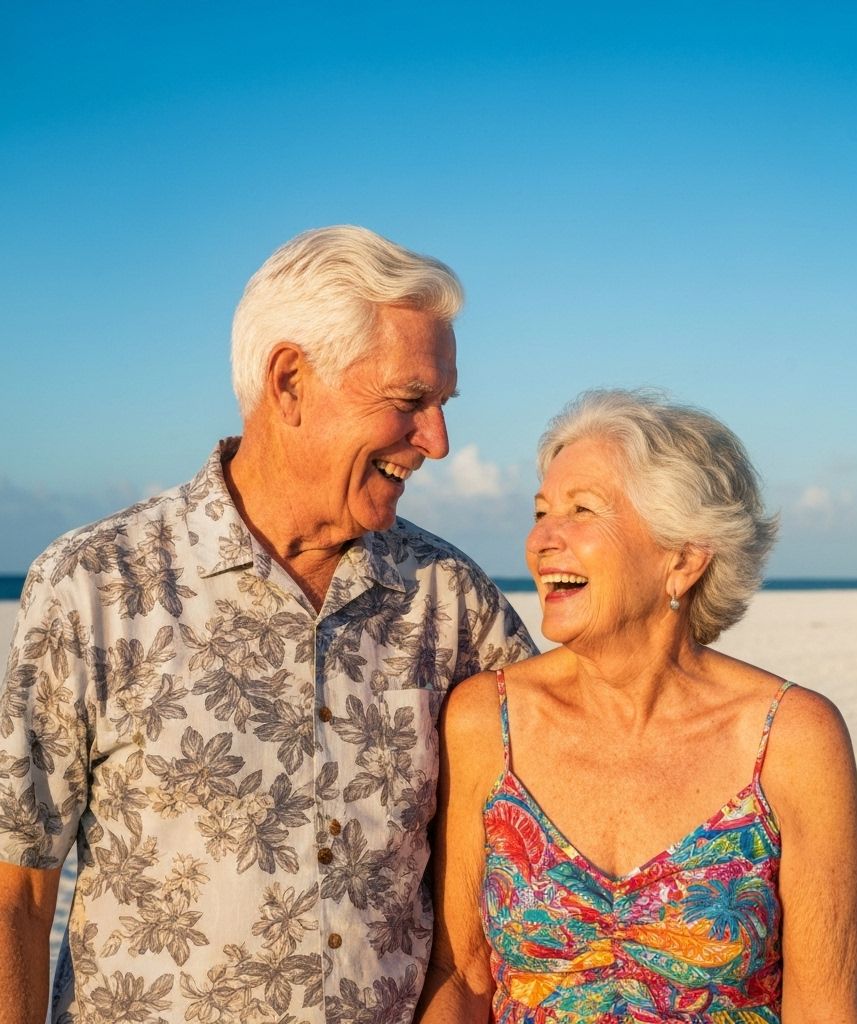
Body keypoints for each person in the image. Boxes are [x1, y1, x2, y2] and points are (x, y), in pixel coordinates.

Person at [0, 226, 536, 1023]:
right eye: (409, 401)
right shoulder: (93, 587)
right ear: (290, 382)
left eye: (442, 406)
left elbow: (550, 821)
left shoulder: (454, 602)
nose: (438, 441)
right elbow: (15, 892)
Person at [417, 389, 857, 1023]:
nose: (541, 538)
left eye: (582, 510)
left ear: (682, 559)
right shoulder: (486, 722)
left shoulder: (793, 738)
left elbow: (824, 1005)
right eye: (541, 512)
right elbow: (461, 973)